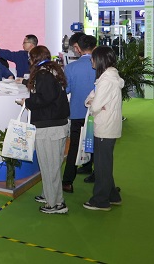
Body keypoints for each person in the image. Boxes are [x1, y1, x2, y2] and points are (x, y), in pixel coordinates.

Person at [20, 45, 70, 215]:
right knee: (52, 165)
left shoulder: (43, 74)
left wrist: (27, 102)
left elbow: (44, 97)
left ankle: (56, 203)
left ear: (35, 58)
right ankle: (49, 195)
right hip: (58, 124)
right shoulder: (53, 70)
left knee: (49, 166)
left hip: (49, 126)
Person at [83, 46, 124, 212]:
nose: (91, 61)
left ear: (99, 59)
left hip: (105, 126)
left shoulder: (106, 80)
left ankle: (101, 200)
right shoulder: (108, 77)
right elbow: (92, 100)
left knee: (102, 165)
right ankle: (113, 195)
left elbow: (94, 105)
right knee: (104, 163)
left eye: (93, 58)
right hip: (108, 125)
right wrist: (94, 103)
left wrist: (93, 104)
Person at [62, 34, 97, 192]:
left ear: (78, 48)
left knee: (74, 147)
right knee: (97, 145)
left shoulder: (71, 68)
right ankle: (96, 174)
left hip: (77, 112)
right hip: (96, 113)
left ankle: (68, 182)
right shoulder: (101, 65)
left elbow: (66, 89)